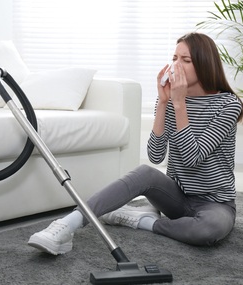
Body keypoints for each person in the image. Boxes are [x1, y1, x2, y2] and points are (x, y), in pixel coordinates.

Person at [28, 32, 243, 254]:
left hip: (214, 204)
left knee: (209, 230)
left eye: (186, 60)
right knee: (144, 172)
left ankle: (142, 221)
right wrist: (163, 103)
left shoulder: (228, 105)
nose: (176, 66)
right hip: (176, 198)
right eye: (175, 58)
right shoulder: (172, 101)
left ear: (205, 64)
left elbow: (191, 158)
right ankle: (67, 224)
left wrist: (179, 104)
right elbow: (155, 155)